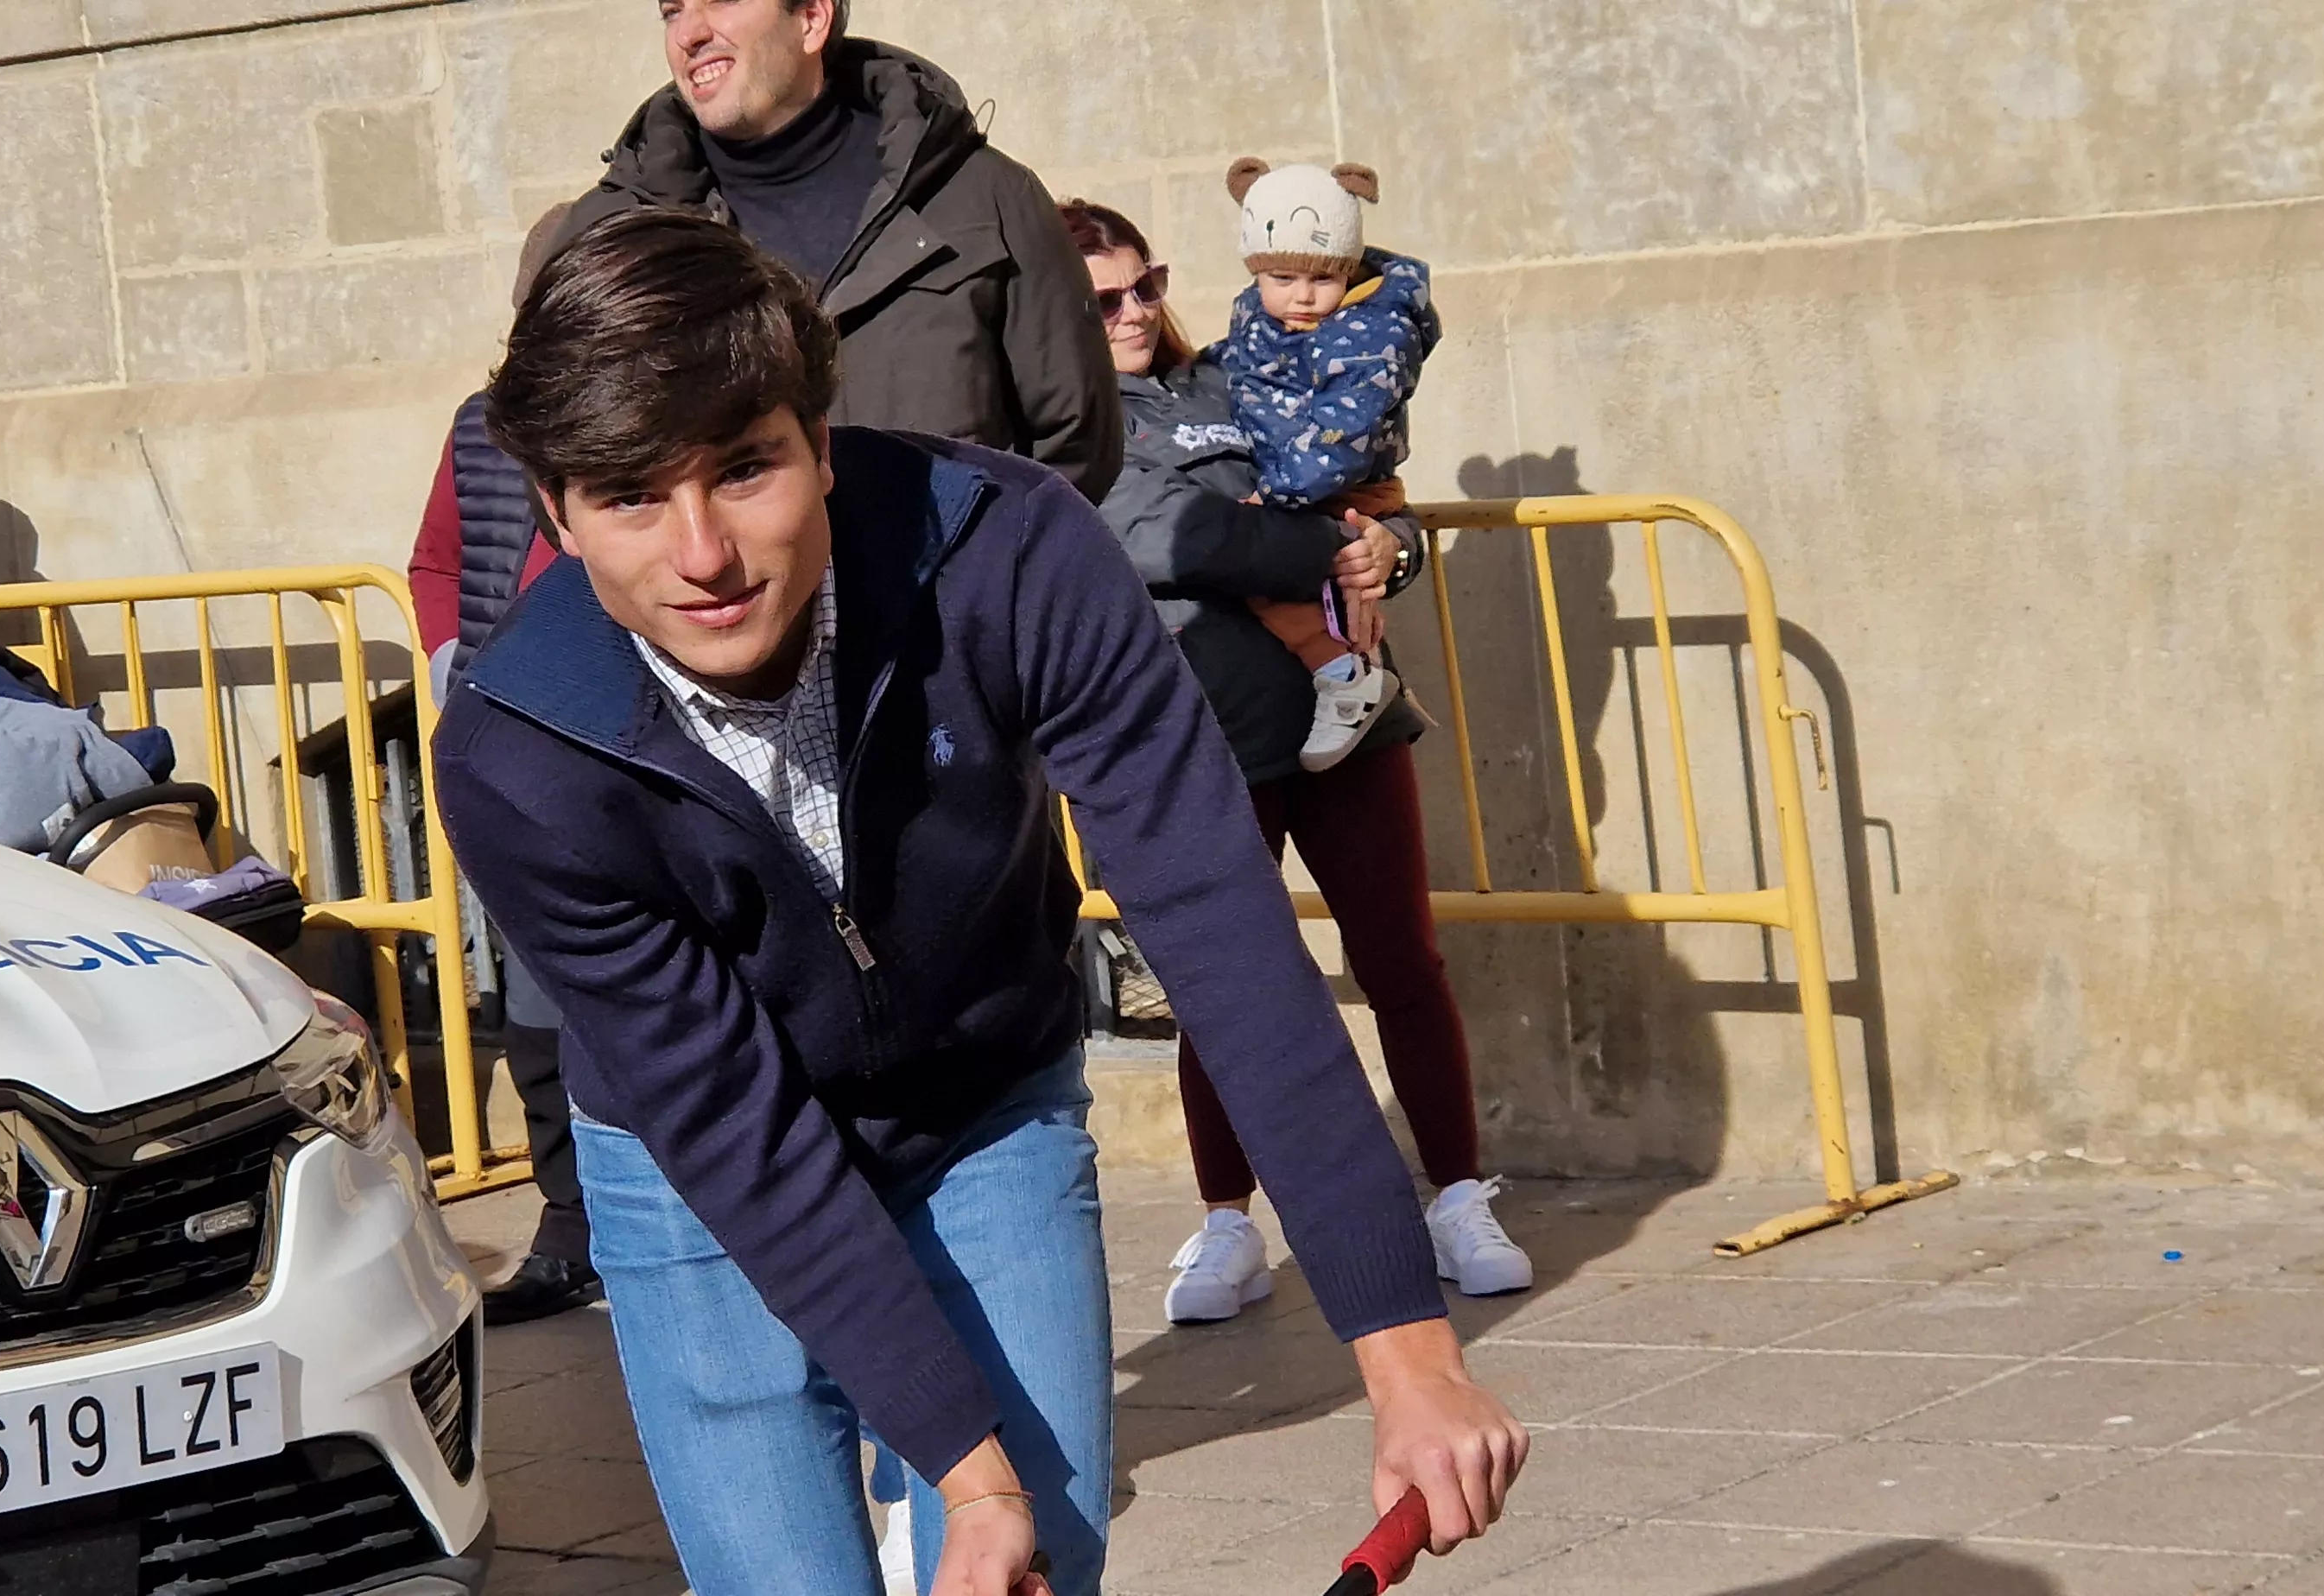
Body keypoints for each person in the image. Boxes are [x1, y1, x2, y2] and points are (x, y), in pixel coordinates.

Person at [434, 208, 1525, 1596]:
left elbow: (1219, 923)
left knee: (1040, 1562)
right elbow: (739, 1131)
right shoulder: (520, 754)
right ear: (556, 512)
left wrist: (1406, 1351)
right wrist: (969, 1472)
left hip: (983, 1104)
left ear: (820, 443)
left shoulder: (1008, 550)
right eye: (631, 497)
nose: (703, 552)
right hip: (701, 1169)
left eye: (746, 469)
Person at [1065, 198, 1530, 1325]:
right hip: (1203, 738)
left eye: (1145, 284)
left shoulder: (1245, 372)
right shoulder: (1069, 431)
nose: (1133, 313)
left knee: (1402, 963)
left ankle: (1457, 1199)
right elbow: (1168, 539)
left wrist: (1386, 548)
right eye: (1103, 301)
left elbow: (1366, 484)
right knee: (1223, 994)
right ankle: (1229, 1221)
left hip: (1349, 719)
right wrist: (1325, 543)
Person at [559, 0, 1122, 502]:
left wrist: (988, 565)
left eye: (722, 1)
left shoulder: (982, 195)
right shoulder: (613, 232)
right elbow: (557, 458)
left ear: (811, 18)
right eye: (672, 11)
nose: (689, 33)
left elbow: (1076, 442)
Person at [408, 206, 598, 1327]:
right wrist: (452, 662)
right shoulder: (479, 426)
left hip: (617, 739)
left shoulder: (640, 417)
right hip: (511, 740)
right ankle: (571, 1229)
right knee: (532, 1007)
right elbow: (436, 562)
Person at [1215, 160, 1441, 772]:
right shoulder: (1259, 314)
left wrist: (1275, 498)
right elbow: (1240, 365)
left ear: (1348, 269)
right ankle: (1347, 668)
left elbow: (1343, 438)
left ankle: (1344, 677)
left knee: (1267, 570)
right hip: (1298, 479)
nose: (1303, 295)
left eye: (1323, 277)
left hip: (1341, 485)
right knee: (1284, 577)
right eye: (1282, 276)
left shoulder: (1369, 335)